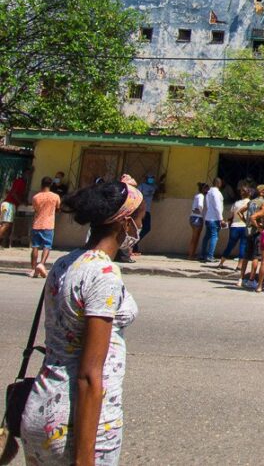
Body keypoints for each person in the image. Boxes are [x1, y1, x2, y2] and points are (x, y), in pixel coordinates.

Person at [19, 176, 142, 465]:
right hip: (78, 423)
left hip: (40, 408)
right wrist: (85, 458)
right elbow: (89, 374)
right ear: (125, 223)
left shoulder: (65, 262)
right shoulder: (104, 275)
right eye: (140, 219)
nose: (141, 227)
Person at [30, 176, 61, 278]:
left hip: (37, 224)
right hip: (49, 225)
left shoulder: (36, 197)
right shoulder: (55, 197)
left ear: (41, 184)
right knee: (47, 246)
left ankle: (33, 269)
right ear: (51, 185)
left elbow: (35, 209)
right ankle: (41, 264)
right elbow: (58, 209)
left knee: (35, 246)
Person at [217, 188, 251, 270]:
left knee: (230, 245)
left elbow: (232, 216)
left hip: (234, 226)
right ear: (249, 193)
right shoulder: (251, 203)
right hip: (244, 226)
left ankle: (221, 263)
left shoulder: (236, 203)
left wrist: (227, 222)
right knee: (243, 245)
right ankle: (239, 266)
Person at [200, 177, 226, 263]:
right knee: (214, 237)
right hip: (214, 218)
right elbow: (217, 207)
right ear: (219, 183)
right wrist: (221, 219)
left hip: (208, 217)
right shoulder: (217, 193)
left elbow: (208, 205)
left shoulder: (209, 192)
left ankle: (202, 255)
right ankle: (210, 256)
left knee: (206, 237)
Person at [136, 174, 158, 254]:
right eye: (150, 178)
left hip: (147, 211)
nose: (151, 179)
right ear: (146, 178)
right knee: (138, 228)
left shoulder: (154, 187)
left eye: (152, 178)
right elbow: (137, 195)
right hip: (140, 210)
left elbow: (160, 189)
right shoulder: (141, 186)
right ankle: (134, 246)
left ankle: (135, 244)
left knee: (146, 228)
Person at [187, 182, 207, 260]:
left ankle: (191, 254)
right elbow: (200, 206)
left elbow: (194, 207)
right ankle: (191, 255)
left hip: (192, 217)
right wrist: (201, 212)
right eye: (206, 189)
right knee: (195, 238)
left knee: (194, 237)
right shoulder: (201, 196)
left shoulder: (197, 195)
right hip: (197, 218)